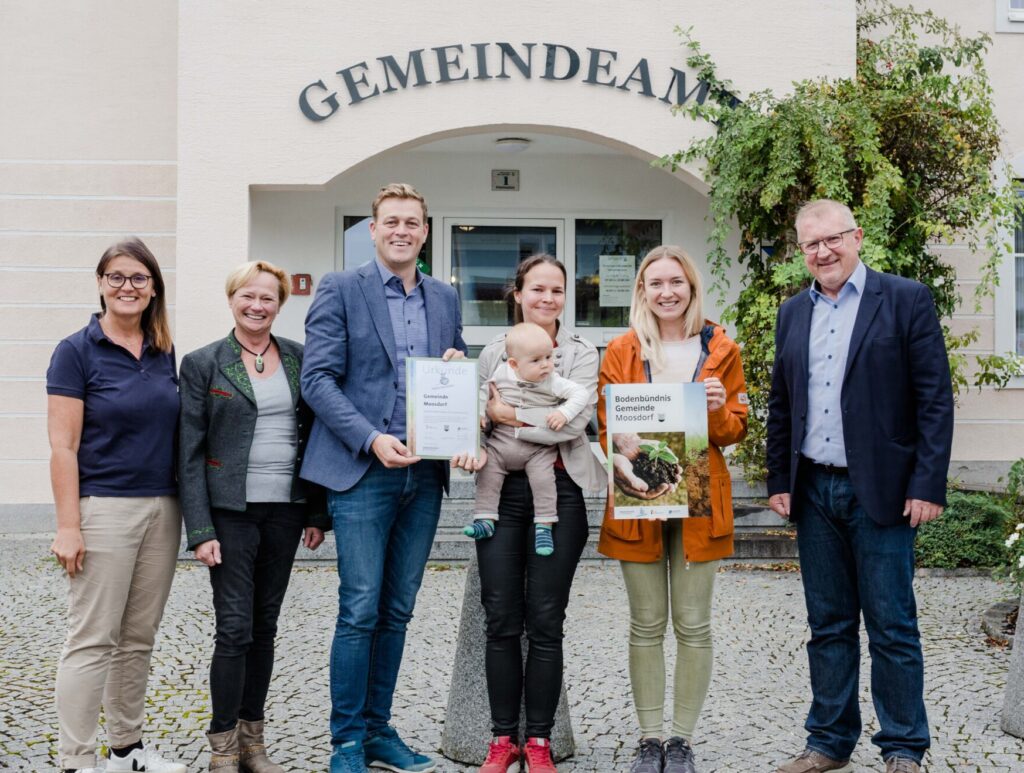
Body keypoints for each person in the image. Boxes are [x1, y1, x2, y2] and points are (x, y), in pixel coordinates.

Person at [766, 200, 954, 773]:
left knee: (892, 626)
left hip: (885, 491)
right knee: (828, 626)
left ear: (857, 237)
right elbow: (782, 403)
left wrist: (927, 484)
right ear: (801, 251)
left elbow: (934, 399)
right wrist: (779, 479)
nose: (823, 252)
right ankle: (828, 741)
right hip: (813, 490)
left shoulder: (904, 299)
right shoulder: (793, 312)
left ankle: (903, 746)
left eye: (833, 239)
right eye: (811, 244)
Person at [300, 183, 475, 773]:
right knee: (359, 608)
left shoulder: (444, 297)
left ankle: (378, 731)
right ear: (373, 230)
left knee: (398, 608)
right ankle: (347, 741)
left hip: (423, 475)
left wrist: (458, 367)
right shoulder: (340, 288)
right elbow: (317, 380)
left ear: (425, 232)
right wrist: (371, 438)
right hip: (363, 471)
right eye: (391, 221)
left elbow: (455, 366)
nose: (402, 231)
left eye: (412, 222)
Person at [597, 246, 748, 773]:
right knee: (645, 624)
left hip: (701, 493)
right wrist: (626, 447)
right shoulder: (622, 349)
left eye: (676, 282)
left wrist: (718, 411)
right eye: (656, 283)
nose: (667, 292)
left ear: (691, 287)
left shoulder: (721, 347)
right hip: (639, 492)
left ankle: (681, 741)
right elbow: (607, 427)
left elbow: (735, 429)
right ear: (642, 290)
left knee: (693, 624)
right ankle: (649, 739)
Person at [178, 260, 330, 772]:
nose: (257, 305)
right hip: (230, 513)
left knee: (264, 627)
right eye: (248, 295)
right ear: (231, 299)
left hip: (285, 510)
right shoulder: (204, 363)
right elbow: (189, 452)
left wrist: (315, 511)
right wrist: (200, 529)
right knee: (234, 628)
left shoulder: (298, 358)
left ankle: (252, 744)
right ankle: (222, 747)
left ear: (279, 305)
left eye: (268, 298)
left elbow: (315, 435)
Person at [461, 254, 607, 773]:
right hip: (499, 492)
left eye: (557, 290)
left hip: (559, 492)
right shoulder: (492, 352)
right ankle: (503, 739)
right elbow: (478, 419)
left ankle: (539, 740)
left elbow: (573, 425)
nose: (548, 298)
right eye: (537, 289)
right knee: (500, 617)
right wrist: (478, 427)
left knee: (546, 620)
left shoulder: (581, 353)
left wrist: (509, 416)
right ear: (518, 294)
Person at [46, 238, 185, 773]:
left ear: (153, 288)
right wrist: (68, 525)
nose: (128, 287)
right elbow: (63, 446)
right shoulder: (76, 351)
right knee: (92, 639)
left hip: (163, 510)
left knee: (137, 639)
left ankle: (126, 752)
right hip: (103, 508)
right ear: (101, 283)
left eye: (139, 278)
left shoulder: (163, 349)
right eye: (117, 277)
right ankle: (77, 760)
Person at [464, 321, 590, 556]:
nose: (546, 365)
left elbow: (580, 394)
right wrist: (480, 414)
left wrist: (564, 413)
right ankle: (485, 519)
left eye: (549, 357)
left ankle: (544, 524)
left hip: (537, 448)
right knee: (488, 475)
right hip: (501, 444)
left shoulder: (552, 380)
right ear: (514, 364)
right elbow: (484, 393)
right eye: (536, 360)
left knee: (544, 480)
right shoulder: (502, 373)